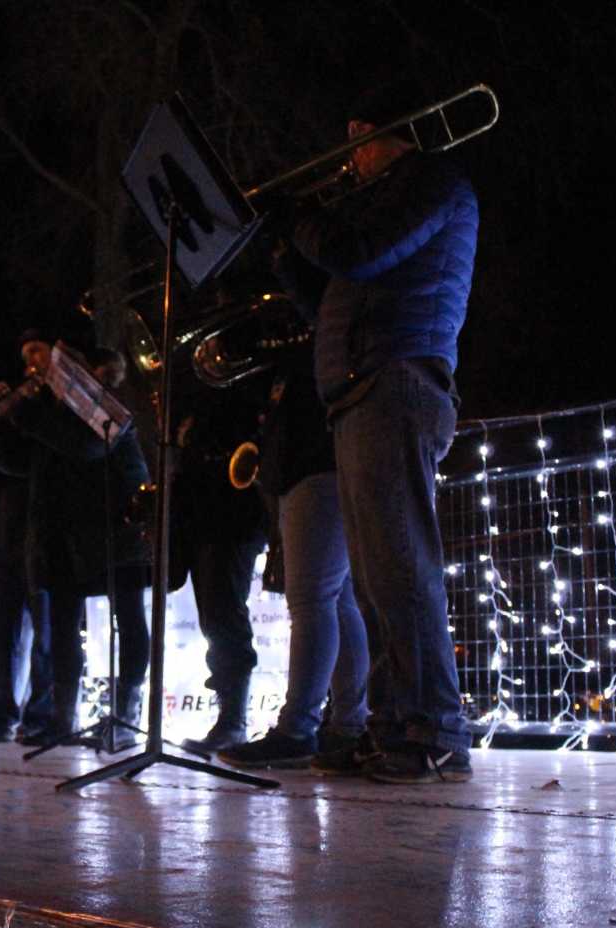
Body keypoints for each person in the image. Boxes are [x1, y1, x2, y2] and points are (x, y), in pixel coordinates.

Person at [265, 80, 478, 783]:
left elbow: (356, 252)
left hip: (397, 381)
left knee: (402, 569)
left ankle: (433, 732)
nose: (349, 158)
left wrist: (299, 216)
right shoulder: (386, 201)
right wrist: (287, 255)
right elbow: (333, 297)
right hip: (363, 388)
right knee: (378, 581)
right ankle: (392, 728)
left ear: (385, 131)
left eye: (358, 140)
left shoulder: (431, 180)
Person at [0, 338, 151, 745]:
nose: (37, 371)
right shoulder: (49, 413)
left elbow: (86, 446)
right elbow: (13, 462)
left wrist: (23, 413)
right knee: (61, 628)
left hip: (119, 527)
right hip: (66, 532)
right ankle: (63, 719)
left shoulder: (109, 405)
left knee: (129, 620)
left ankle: (126, 717)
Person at [217, 362, 373, 771]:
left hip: (313, 462)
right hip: (306, 463)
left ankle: (299, 729)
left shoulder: (311, 351)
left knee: (313, 600)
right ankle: (348, 725)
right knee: (337, 600)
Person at [170, 352, 272, 756]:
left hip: (234, 512)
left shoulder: (244, 384)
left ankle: (233, 723)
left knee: (225, 616)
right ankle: (228, 719)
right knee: (214, 618)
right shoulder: (195, 395)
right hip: (202, 512)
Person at [0, 340, 54, 743]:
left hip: (46, 524)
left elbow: (26, 461)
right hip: (6, 527)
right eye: (25, 355)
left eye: (37, 351)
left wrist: (13, 417)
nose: (29, 361)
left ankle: (43, 715)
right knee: (1, 630)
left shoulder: (55, 405)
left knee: (47, 631)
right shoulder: (16, 405)